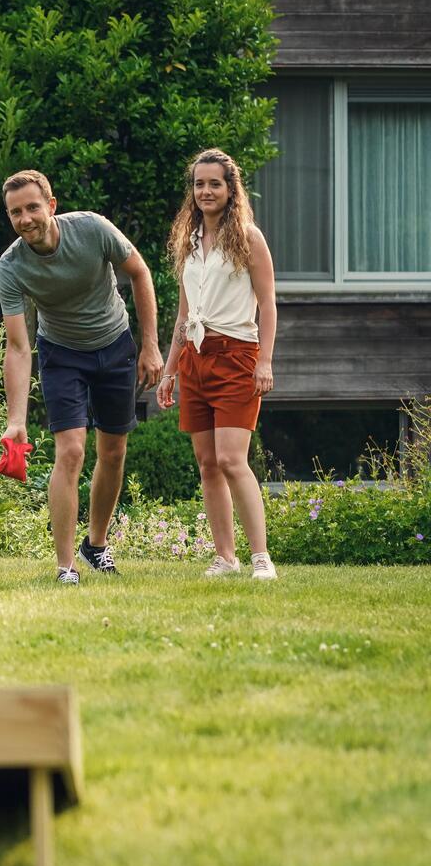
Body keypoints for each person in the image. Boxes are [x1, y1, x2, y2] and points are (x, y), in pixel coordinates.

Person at [0, 170, 164, 583]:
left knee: (113, 452)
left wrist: (150, 345)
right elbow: (18, 347)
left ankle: (98, 545)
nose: (25, 219)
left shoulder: (91, 228)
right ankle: (65, 566)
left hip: (114, 344)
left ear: (51, 206)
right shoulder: (11, 266)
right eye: (15, 212)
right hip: (62, 353)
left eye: (32, 207)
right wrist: (16, 420)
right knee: (70, 451)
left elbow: (139, 272)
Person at [157, 148, 278, 580]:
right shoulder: (188, 243)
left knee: (231, 459)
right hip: (194, 359)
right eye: (199, 184)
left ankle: (261, 557)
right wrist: (170, 370)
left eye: (214, 184)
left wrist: (264, 361)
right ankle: (226, 557)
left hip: (237, 357)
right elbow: (184, 314)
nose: (205, 191)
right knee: (208, 464)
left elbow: (267, 303)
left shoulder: (248, 237)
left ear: (231, 189)